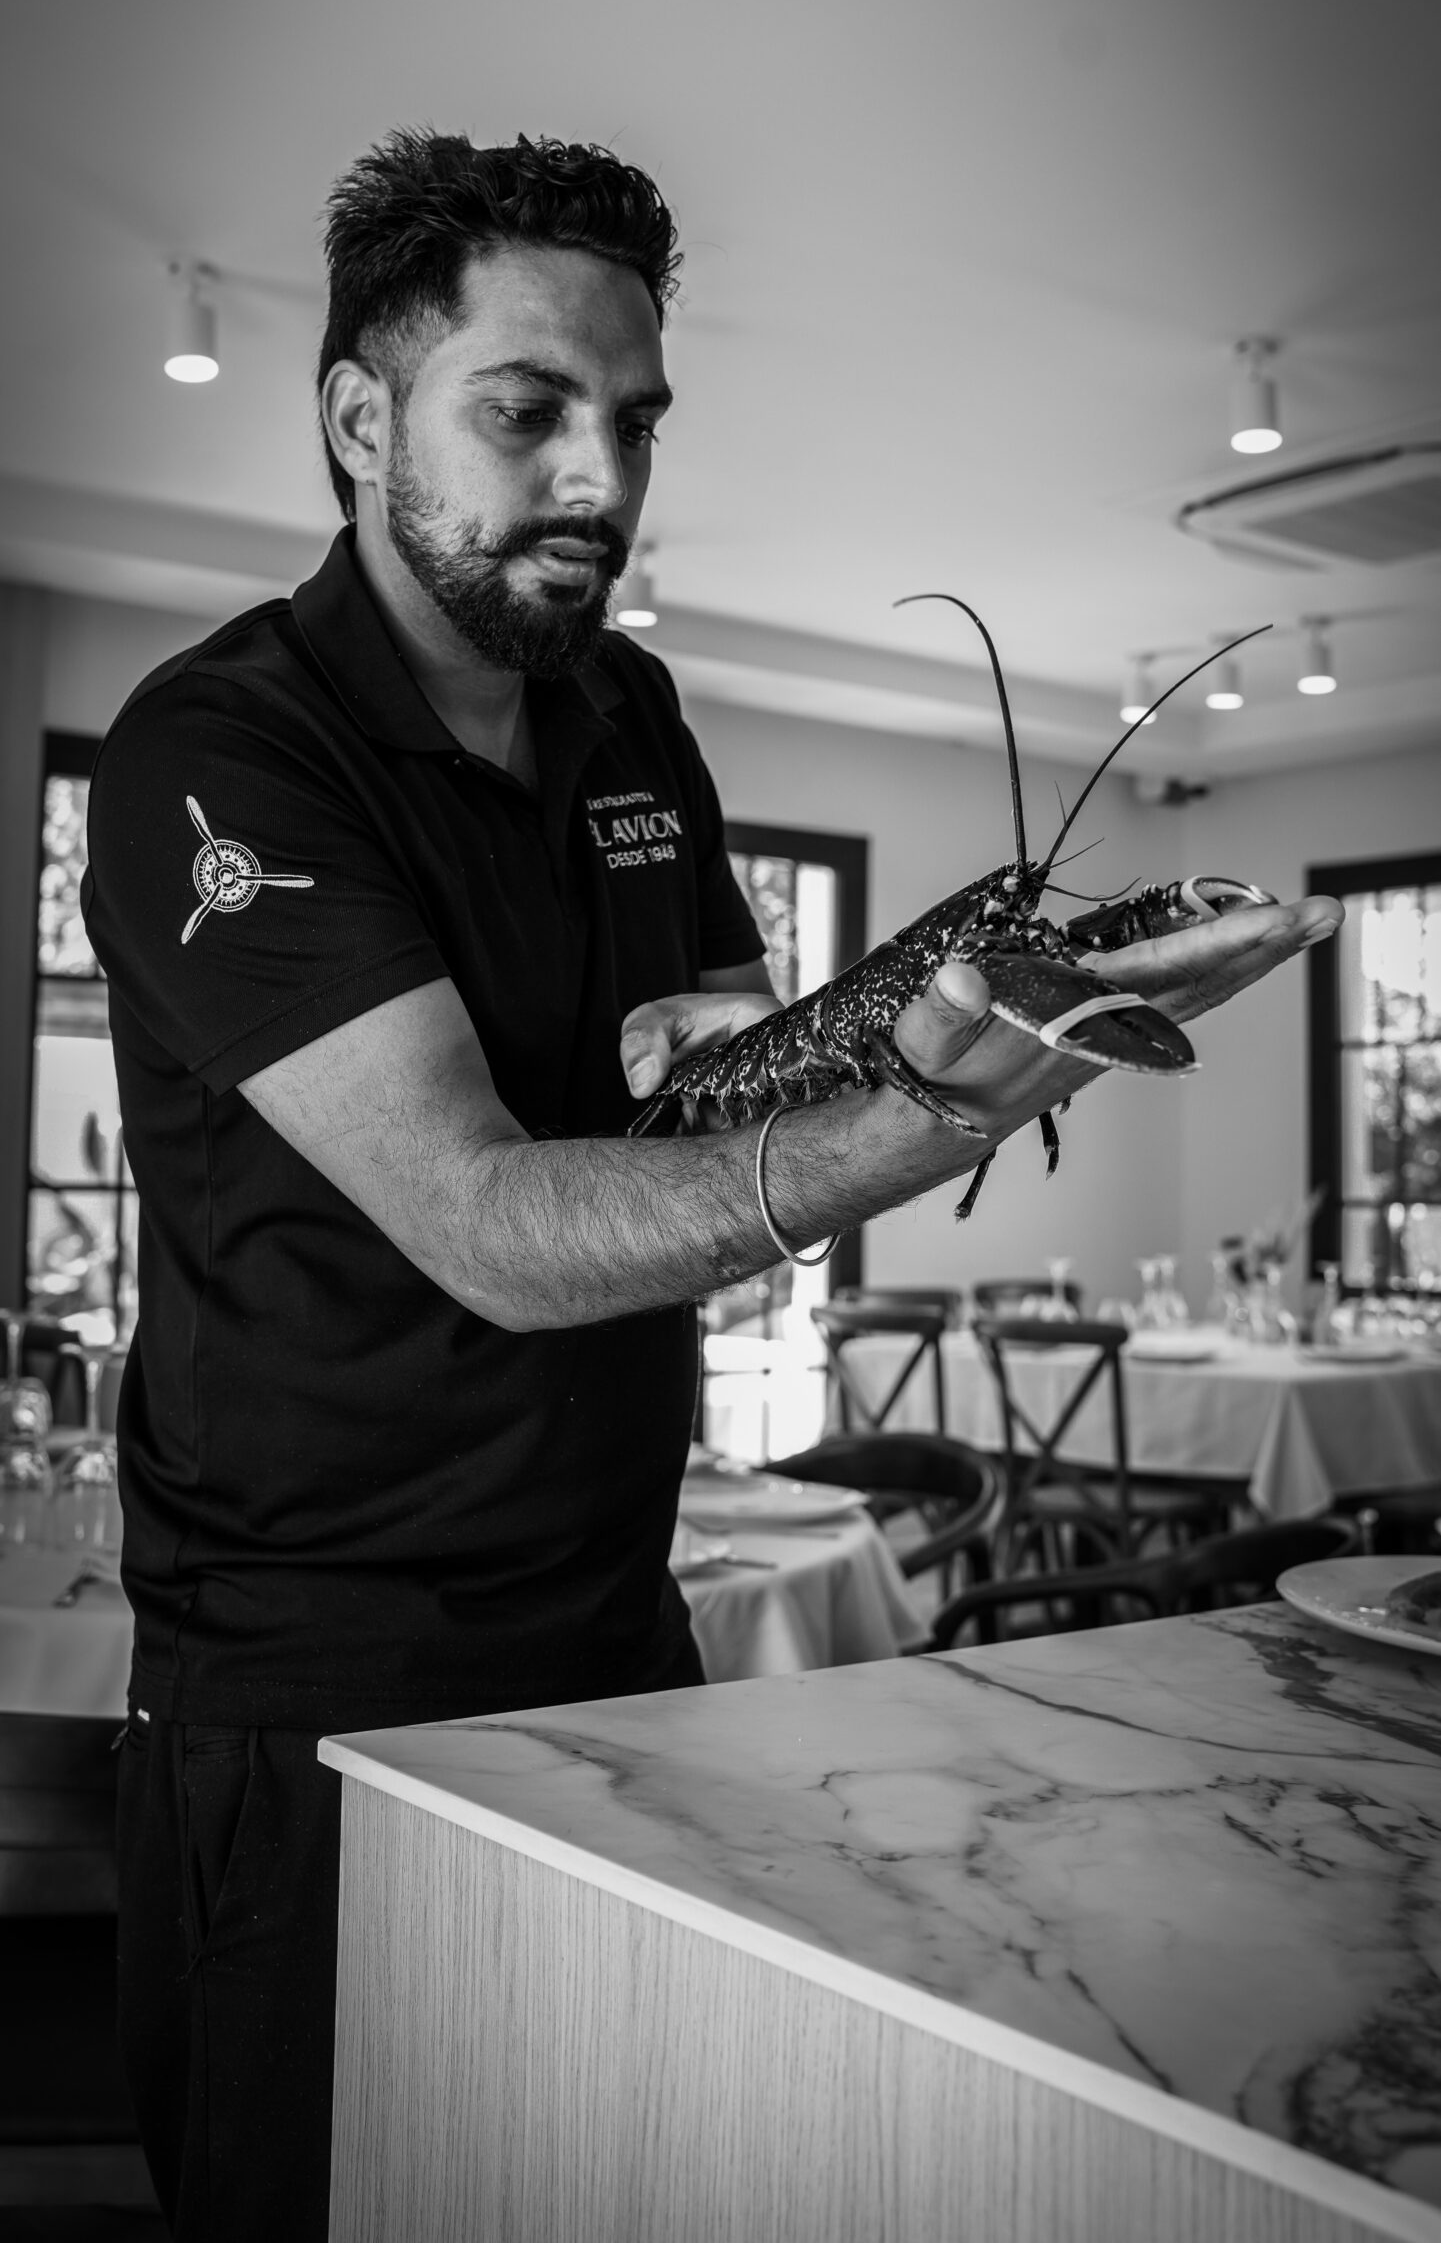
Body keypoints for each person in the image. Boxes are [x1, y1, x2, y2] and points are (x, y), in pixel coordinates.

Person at [82, 129, 1339, 2239]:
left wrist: (962, 1018)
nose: (599, 475)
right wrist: (948, 1109)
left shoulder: (626, 705)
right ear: (359, 420)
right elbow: (495, 1229)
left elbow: (726, 1063)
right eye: (526, 409)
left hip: (618, 1617)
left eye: (637, 419)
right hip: (314, 1684)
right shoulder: (219, 750)